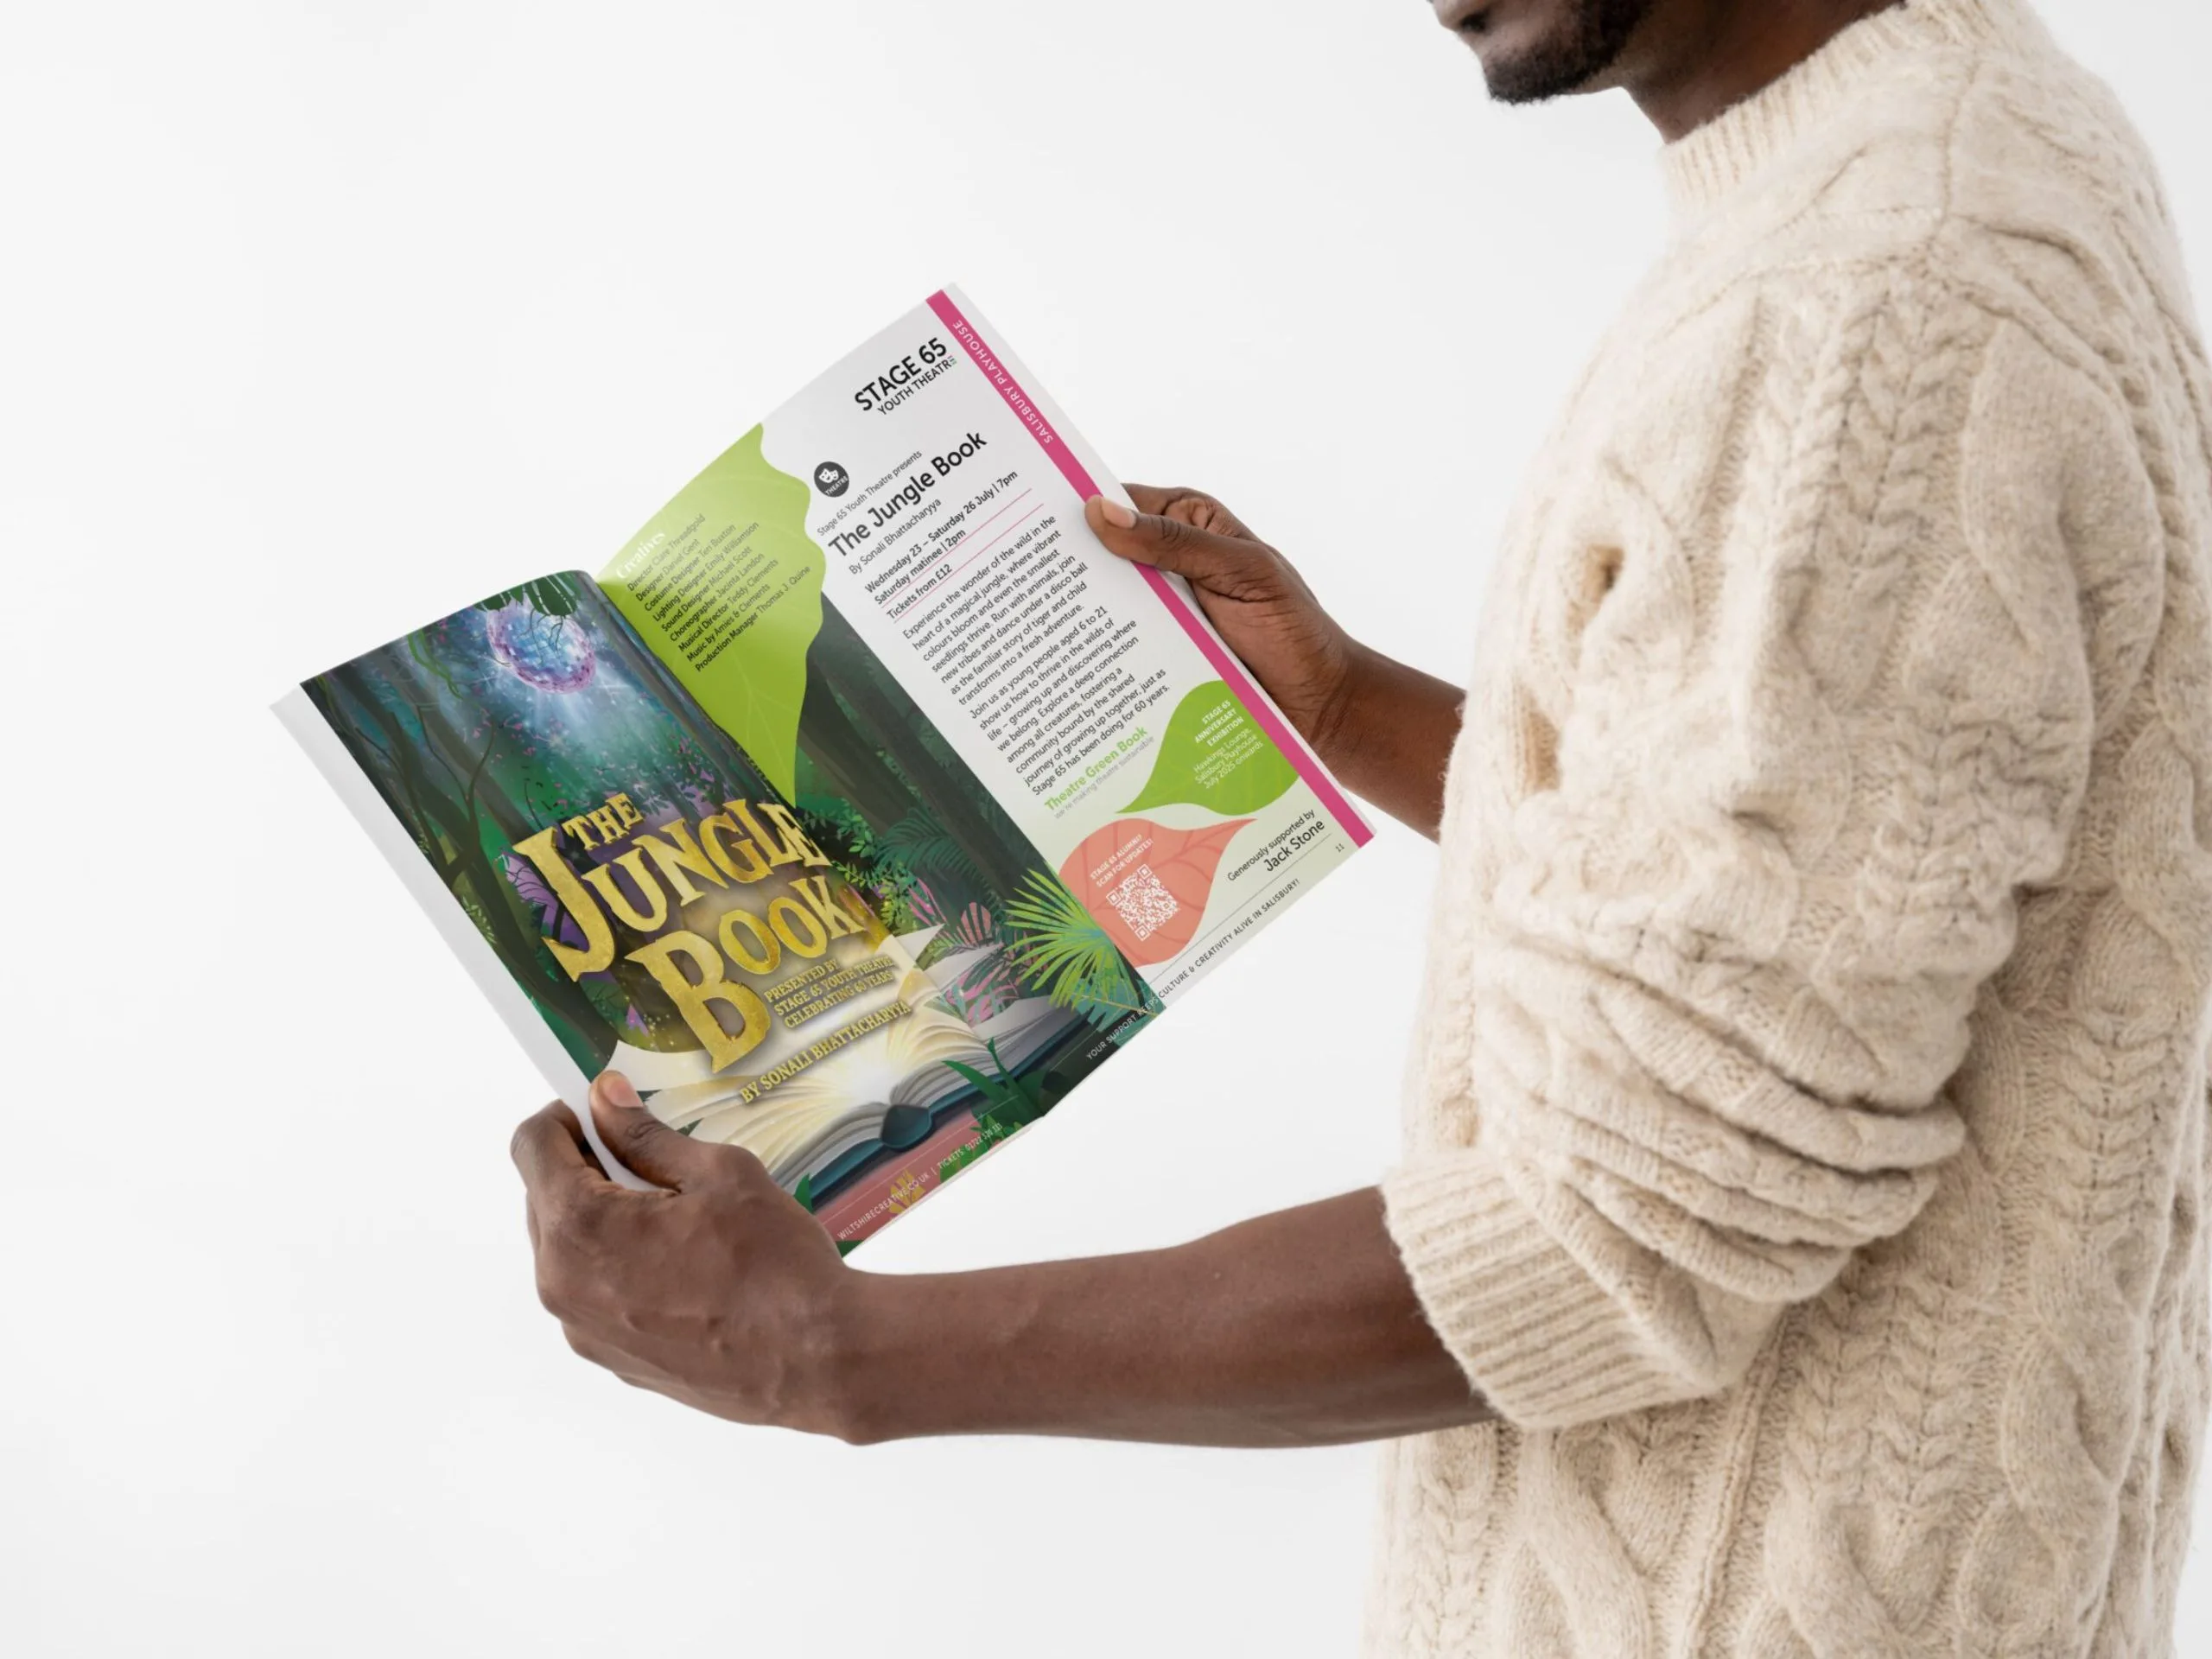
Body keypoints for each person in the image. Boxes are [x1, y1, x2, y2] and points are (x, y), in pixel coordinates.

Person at [509, 0, 2212, 1650]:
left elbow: (1621, 1228)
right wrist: (1344, 710)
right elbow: (1835, 884)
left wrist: (840, 1354)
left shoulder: (1861, 302)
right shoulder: (1962, 146)